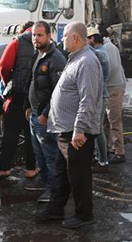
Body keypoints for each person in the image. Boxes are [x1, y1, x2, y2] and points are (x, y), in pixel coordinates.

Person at [34, 22, 103, 229]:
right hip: (65, 129)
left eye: (65, 36)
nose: (62, 40)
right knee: (61, 173)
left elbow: (88, 99)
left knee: (78, 175)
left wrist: (80, 129)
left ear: (75, 38)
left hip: (75, 132)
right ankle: (55, 209)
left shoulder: (87, 62)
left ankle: (84, 215)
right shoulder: (76, 59)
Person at [24, 21, 67, 203]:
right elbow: (32, 83)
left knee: (50, 155)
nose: (36, 38)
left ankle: (54, 191)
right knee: (39, 153)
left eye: (40, 35)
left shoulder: (55, 58)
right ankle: (45, 183)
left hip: (45, 117)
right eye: (34, 35)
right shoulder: (37, 55)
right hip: (34, 113)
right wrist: (28, 106)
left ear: (49, 36)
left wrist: (45, 113)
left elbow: (58, 90)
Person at [0, 22, 38, 180]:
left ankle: (4, 169)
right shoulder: (47, 42)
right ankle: (31, 169)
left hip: (16, 96)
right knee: (31, 135)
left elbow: (3, 65)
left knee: (10, 133)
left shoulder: (16, 42)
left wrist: (9, 81)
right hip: (35, 98)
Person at [87, 27, 111, 172]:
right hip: (100, 94)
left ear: (92, 39)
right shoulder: (101, 52)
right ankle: (99, 157)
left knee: (98, 129)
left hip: (100, 95)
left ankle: (103, 162)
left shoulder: (99, 53)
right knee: (96, 129)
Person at [103, 31, 127, 164]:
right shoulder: (105, 47)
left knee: (114, 121)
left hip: (113, 88)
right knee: (105, 121)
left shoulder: (109, 48)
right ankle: (107, 147)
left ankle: (119, 152)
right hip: (110, 88)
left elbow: (110, 69)